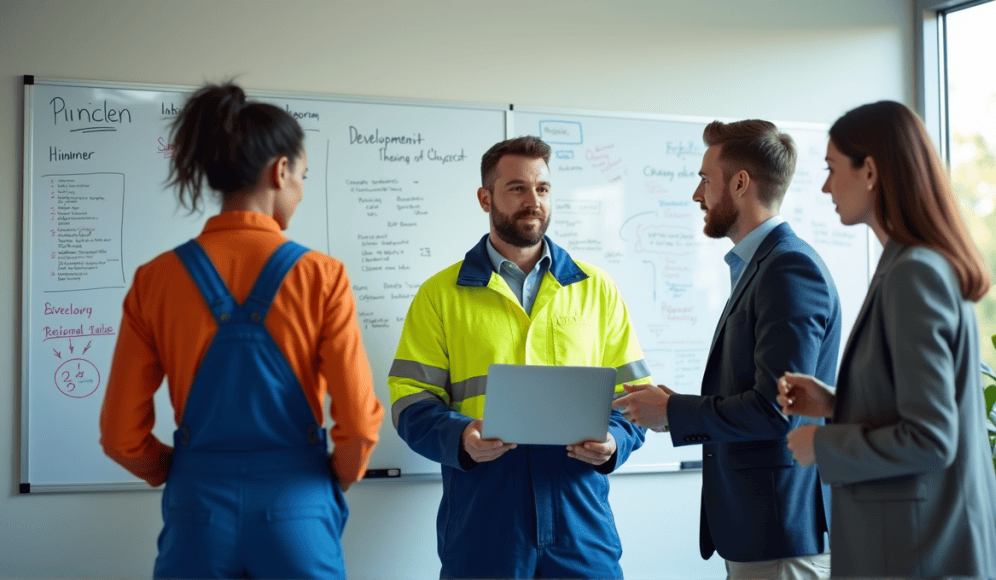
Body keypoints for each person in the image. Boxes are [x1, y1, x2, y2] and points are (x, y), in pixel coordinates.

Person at [99, 82, 384, 579]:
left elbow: (120, 436)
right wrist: (327, 482)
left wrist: (183, 471)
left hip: (197, 511)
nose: (299, 188)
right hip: (298, 505)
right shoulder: (322, 276)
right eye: (303, 175)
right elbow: (358, 425)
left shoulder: (155, 279)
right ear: (280, 171)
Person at [388, 135, 649, 579]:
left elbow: (635, 399)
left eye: (543, 189)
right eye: (517, 189)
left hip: (580, 518)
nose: (534, 202)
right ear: (485, 197)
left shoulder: (596, 289)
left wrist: (614, 444)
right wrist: (460, 436)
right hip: (482, 520)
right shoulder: (440, 296)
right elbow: (409, 401)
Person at [777, 100, 996, 578]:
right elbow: (917, 406)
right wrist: (835, 403)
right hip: (919, 547)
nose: (825, 186)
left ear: (871, 171)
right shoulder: (911, 267)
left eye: (831, 169)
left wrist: (823, 446)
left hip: (920, 552)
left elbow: (929, 439)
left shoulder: (914, 276)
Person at [615, 120, 838, 580]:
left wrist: (675, 411)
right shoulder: (758, 266)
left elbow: (778, 411)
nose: (698, 195)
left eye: (704, 179)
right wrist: (668, 409)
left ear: (740, 183)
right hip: (757, 531)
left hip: (780, 533)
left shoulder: (788, 268)